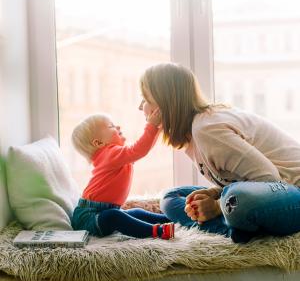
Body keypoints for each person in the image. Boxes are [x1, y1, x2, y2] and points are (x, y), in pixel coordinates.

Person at [138, 62, 300, 243]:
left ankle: (234, 223)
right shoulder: (193, 133)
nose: (140, 107)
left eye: (145, 99)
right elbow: (245, 181)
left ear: (163, 102)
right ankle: (235, 229)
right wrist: (215, 193)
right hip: (265, 192)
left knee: (237, 200)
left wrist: (216, 206)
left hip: (292, 190)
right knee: (171, 198)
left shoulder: (207, 129)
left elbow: (270, 179)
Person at [71, 112, 175, 239]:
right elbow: (139, 149)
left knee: (135, 212)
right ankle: (157, 231)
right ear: (98, 143)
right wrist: (152, 126)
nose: (118, 127)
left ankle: (169, 219)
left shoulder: (115, 156)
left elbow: (142, 150)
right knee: (114, 216)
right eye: (111, 126)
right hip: (88, 217)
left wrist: (158, 129)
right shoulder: (109, 154)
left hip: (103, 211)